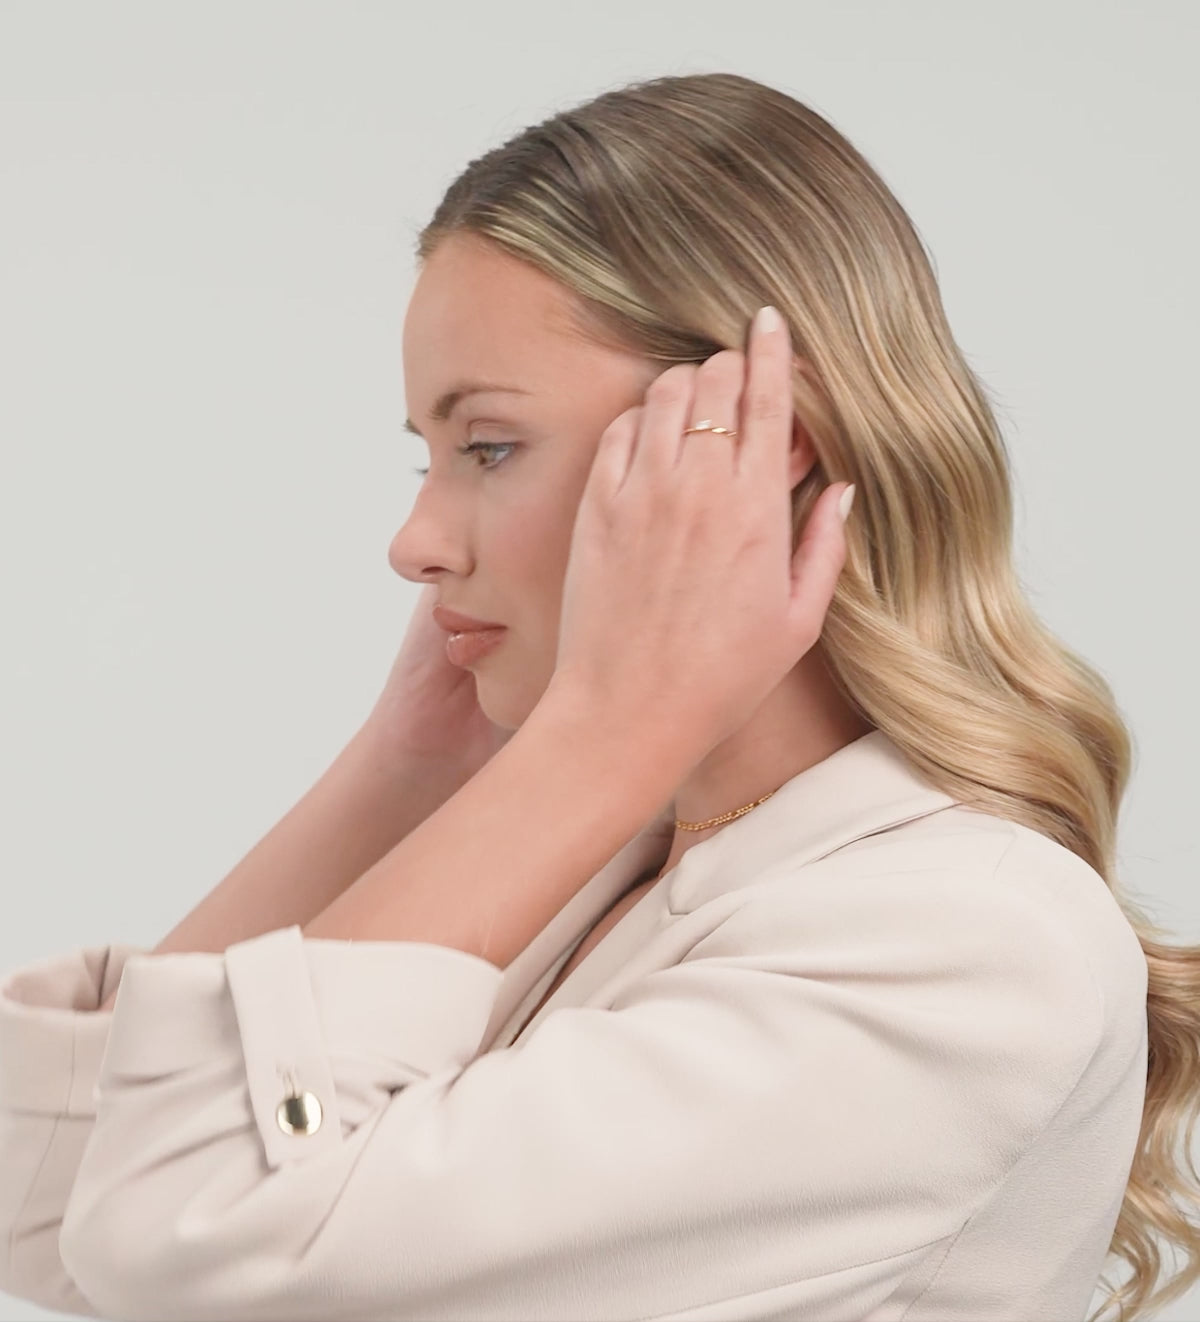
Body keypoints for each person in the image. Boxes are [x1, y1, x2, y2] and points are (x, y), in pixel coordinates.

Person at [1, 71, 1195, 1322]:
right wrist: (406, 763)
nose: (415, 538)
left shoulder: (963, 944)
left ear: (747, 440)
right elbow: (53, 1206)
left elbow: (182, 1236)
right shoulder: (616, 869)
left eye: (490, 447)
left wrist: (599, 730)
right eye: (428, 454)